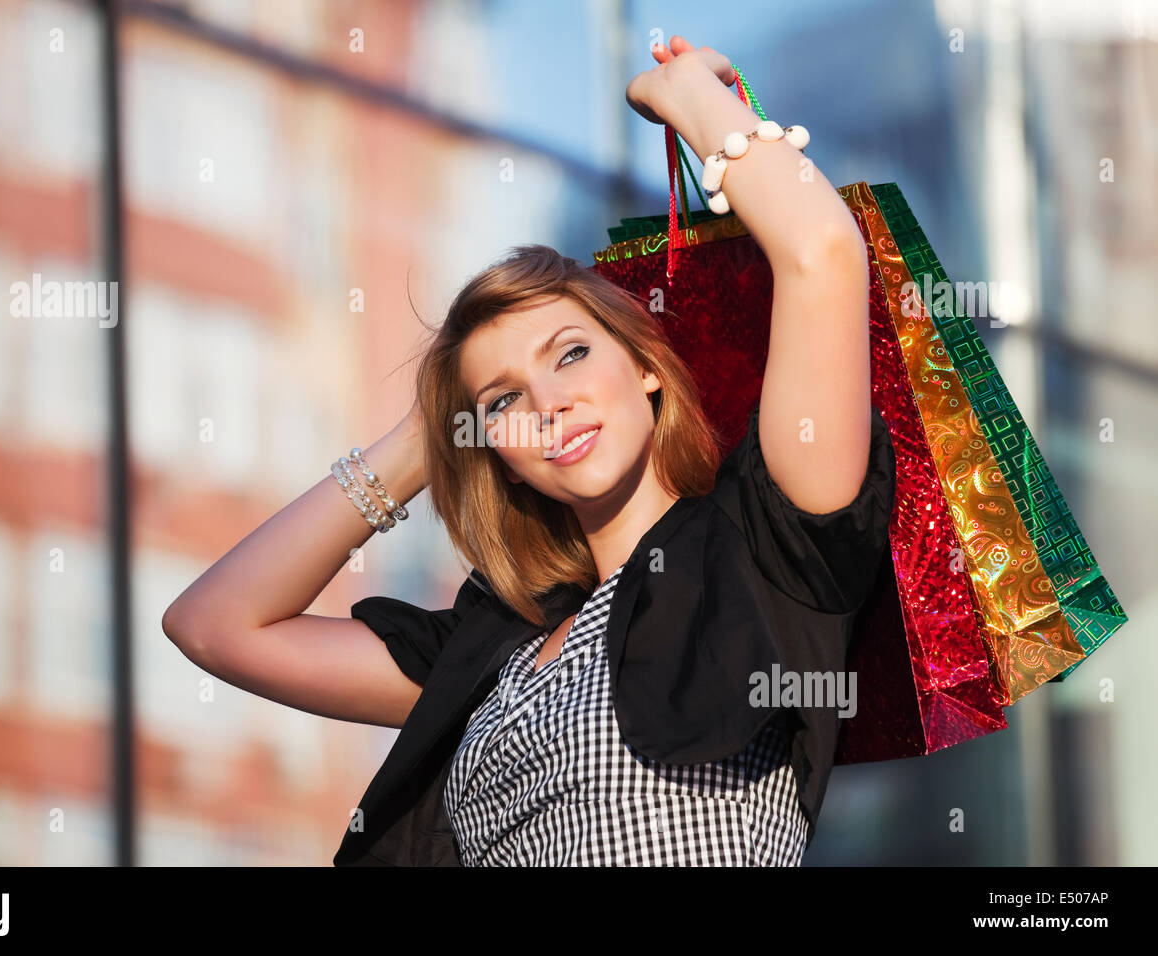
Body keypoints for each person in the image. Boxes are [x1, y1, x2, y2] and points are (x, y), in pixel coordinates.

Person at [161, 35, 895, 866]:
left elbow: (824, 254)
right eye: (505, 399)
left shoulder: (762, 548)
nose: (548, 404)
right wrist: (427, 439)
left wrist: (688, 96)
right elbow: (213, 625)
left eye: (571, 354)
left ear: (648, 368)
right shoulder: (487, 646)